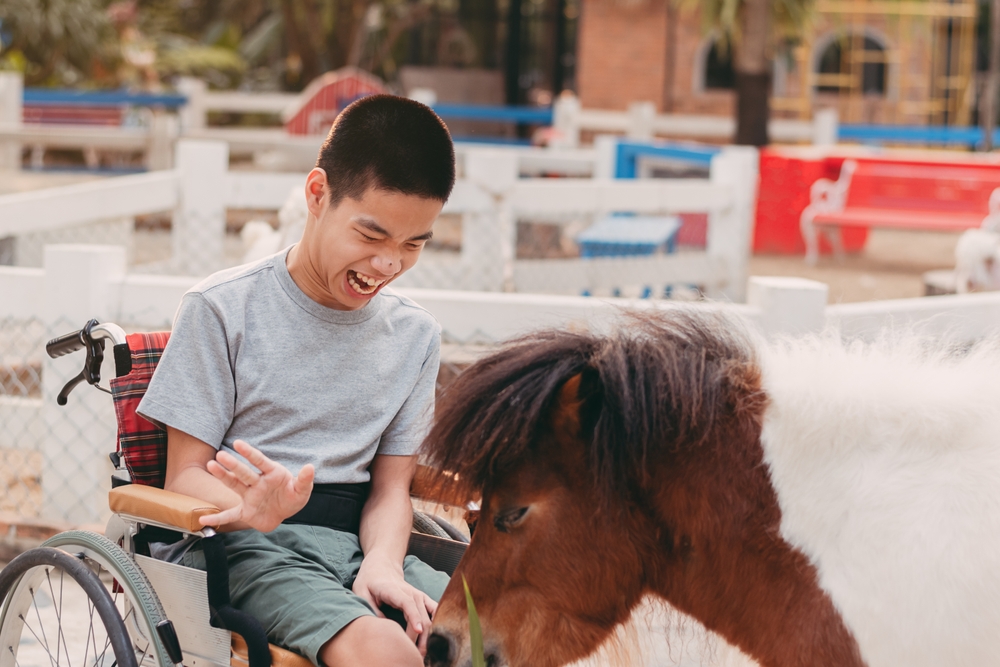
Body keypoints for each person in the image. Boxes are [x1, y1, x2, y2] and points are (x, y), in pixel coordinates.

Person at [137, 94, 456, 667]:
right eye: (372, 236)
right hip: (245, 548)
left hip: (362, 545)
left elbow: (390, 491)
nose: (388, 264)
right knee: (387, 651)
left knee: (493, 634)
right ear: (317, 195)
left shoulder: (415, 336)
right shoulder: (221, 309)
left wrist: (384, 565)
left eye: (412, 245)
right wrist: (247, 507)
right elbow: (182, 473)